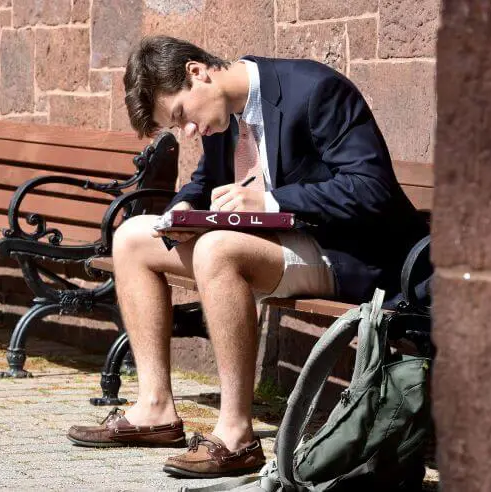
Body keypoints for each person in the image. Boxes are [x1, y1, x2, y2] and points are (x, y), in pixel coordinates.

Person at [66, 36, 430, 479]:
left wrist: (271, 202)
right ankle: (155, 408)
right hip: (278, 249)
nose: (188, 132)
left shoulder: (314, 90)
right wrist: (182, 209)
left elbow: (372, 189)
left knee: (218, 250)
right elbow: (204, 182)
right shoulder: (225, 117)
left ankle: (236, 436)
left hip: (351, 254)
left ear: (197, 72)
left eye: (181, 116)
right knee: (132, 237)